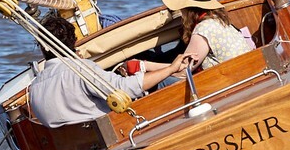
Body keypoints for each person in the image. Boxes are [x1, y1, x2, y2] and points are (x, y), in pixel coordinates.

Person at [29, 15, 192, 128]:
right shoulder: (80, 70)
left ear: (43, 48)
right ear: (74, 42)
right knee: (166, 84)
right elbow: (125, 89)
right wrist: (170, 69)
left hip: (69, 148)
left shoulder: (34, 88)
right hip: (109, 135)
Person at [140, 0, 253, 83]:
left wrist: (144, 66)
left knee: (159, 82)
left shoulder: (203, 29)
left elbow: (183, 71)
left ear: (186, 7)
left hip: (226, 82)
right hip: (243, 74)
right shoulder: (218, 19)